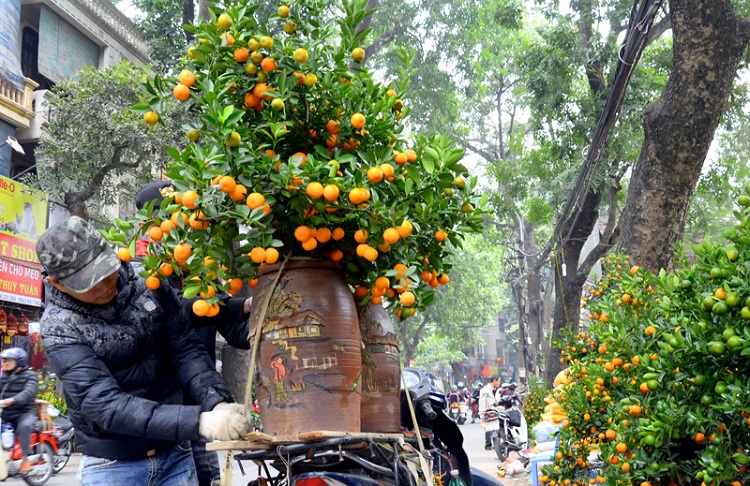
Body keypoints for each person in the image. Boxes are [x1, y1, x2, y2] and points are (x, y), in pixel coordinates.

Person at [36, 216, 253, 486]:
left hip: (175, 454)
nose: (105, 286)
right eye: (89, 283)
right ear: (57, 283)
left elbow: (185, 349)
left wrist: (216, 400)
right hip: (113, 465)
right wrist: (200, 421)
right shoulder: (59, 327)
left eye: (106, 271)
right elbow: (106, 405)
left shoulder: (148, 284)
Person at [136, 180, 252, 486]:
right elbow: (181, 311)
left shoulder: (202, 277)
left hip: (203, 407)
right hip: (164, 416)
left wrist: (274, 320)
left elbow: (237, 332)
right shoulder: (143, 277)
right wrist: (242, 304)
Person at [0, 348, 38, 473]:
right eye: (4, 360)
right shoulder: (5, 377)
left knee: (24, 426)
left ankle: (26, 459)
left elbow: (29, 392)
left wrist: (13, 400)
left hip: (25, 412)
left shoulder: (30, 376)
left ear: (19, 361)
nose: (5, 362)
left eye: (8, 360)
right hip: (7, 413)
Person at [478, 376, 500, 450]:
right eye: (498, 381)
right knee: (488, 428)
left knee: (495, 428)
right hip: (487, 411)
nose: (499, 383)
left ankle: (496, 445)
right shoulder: (485, 390)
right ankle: (488, 444)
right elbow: (482, 402)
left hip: (494, 411)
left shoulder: (495, 390)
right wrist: (482, 414)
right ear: (494, 380)